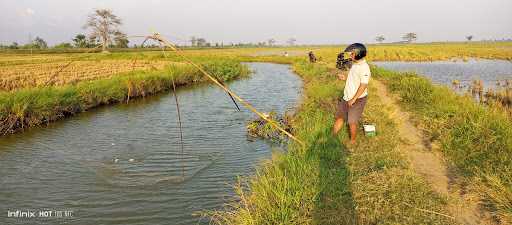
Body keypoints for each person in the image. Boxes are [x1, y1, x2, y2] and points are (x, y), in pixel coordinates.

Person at [333, 43, 370, 145]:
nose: (350, 55)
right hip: (346, 97)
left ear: (358, 54)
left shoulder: (364, 68)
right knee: (339, 117)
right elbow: (354, 80)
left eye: (352, 54)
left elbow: (363, 85)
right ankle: (333, 137)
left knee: (351, 122)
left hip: (358, 99)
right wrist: (344, 78)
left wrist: (353, 99)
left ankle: (352, 141)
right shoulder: (355, 65)